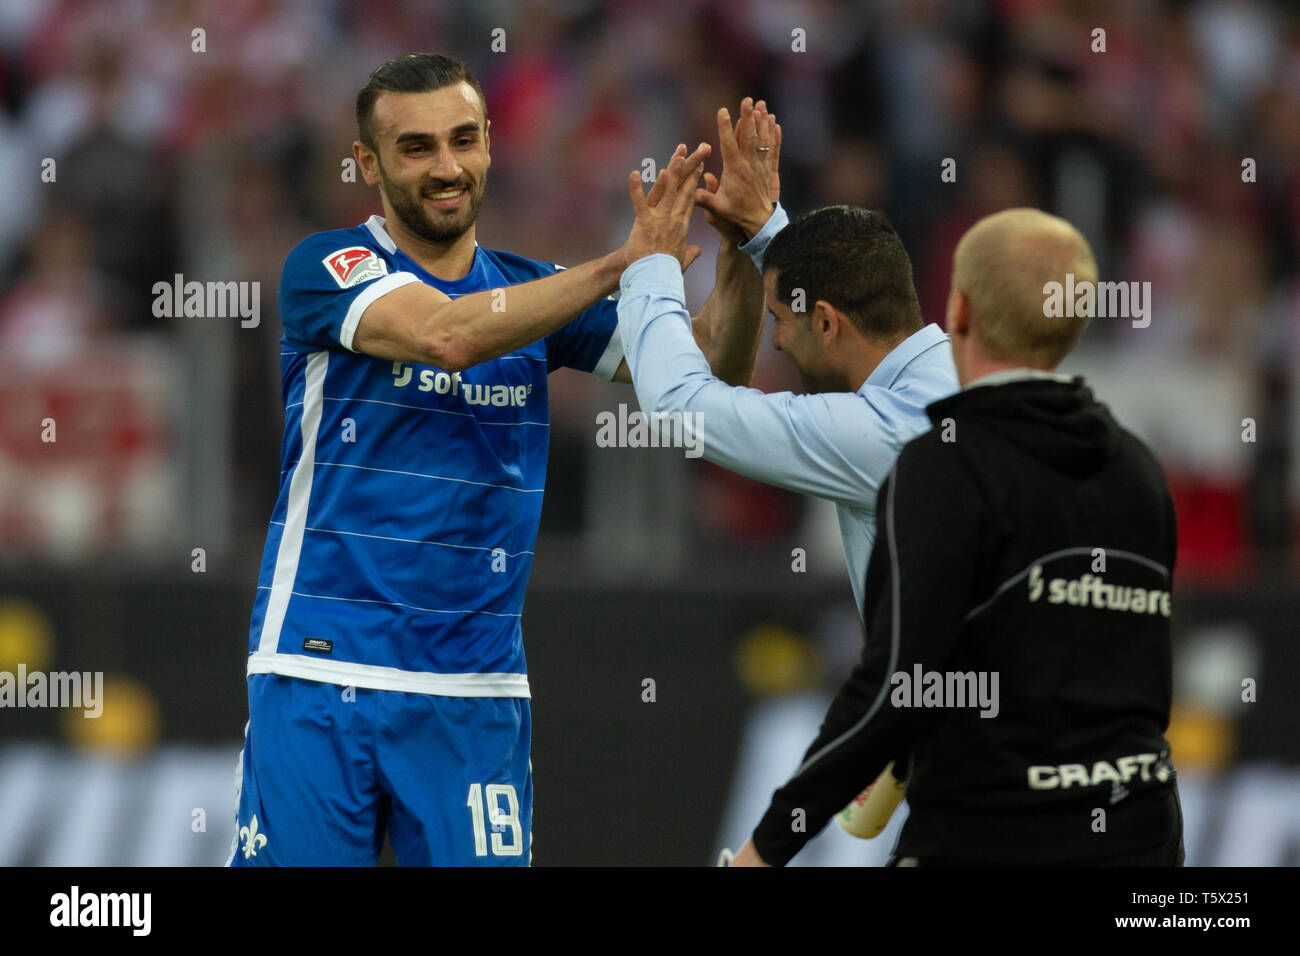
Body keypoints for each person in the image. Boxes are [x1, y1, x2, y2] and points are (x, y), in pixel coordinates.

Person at [228, 51, 774, 866]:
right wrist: (624, 265)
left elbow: (713, 370)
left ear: (489, 144)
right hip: (318, 668)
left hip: (473, 692)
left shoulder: (536, 293)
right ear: (368, 165)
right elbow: (447, 334)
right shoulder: (329, 267)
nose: (446, 167)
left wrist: (742, 247)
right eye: (416, 149)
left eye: (463, 140)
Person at [729, 208, 1183, 866]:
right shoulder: (1139, 469)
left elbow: (895, 684)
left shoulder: (944, 466)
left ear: (960, 310)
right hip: (1146, 847)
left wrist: (764, 850)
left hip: (989, 836)